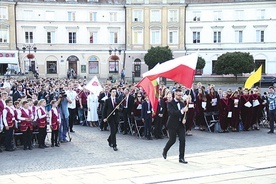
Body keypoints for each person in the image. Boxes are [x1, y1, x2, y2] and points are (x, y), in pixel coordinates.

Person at [162, 89, 188, 164]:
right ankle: (165, 150)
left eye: (181, 95)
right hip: (172, 124)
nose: (180, 97)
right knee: (172, 140)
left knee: (182, 140)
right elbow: (172, 113)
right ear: (175, 95)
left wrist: (184, 118)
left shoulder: (182, 103)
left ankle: (181, 157)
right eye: (179, 95)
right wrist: (182, 111)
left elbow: (185, 114)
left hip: (180, 125)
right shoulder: (170, 103)